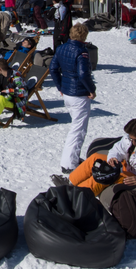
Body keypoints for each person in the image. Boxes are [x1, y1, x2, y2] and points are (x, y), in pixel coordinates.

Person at [59, 118, 136, 196]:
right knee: (95, 158)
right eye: (131, 139)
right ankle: (71, 182)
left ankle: (76, 196)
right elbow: (117, 149)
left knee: (104, 177)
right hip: (124, 165)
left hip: (134, 174)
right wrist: (113, 158)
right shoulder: (130, 138)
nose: (133, 142)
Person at [50, 23, 96, 174]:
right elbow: (83, 74)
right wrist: (91, 89)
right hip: (79, 94)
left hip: (68, 92)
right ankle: (69, 164)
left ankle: (72, 159)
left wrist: (60, 86)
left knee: (76, 128)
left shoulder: (61, 48)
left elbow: (53, 68)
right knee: (78, 130)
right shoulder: (82, 51)